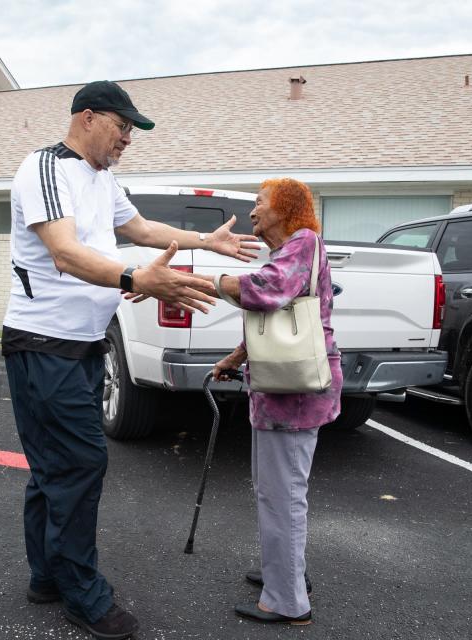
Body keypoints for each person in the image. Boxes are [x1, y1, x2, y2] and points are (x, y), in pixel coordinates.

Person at [3, 80, 260, 640]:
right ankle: (82, 594)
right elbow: (66, 254)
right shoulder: (44, 169)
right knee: (79, 463)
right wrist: (134, 276)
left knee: (54, 465)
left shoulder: (102, 178)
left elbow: (139, 229)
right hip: (44, 345)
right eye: (123, 126)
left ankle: (47, 575)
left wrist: (204, 242)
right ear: (88, 117)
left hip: (82, 344)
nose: (127, 138)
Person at [211, 177, 342, 626]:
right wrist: (235, 357)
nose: (252, 212)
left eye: (259, 203)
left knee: (282, 495)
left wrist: (210, 280)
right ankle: (285, 574)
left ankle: (286, 601)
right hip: (286, 393)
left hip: (294, 397)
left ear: (285, 208)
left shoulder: (302, 244)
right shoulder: (298, 249)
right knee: (277, 490)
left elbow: (267, 290)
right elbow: (279, 317)